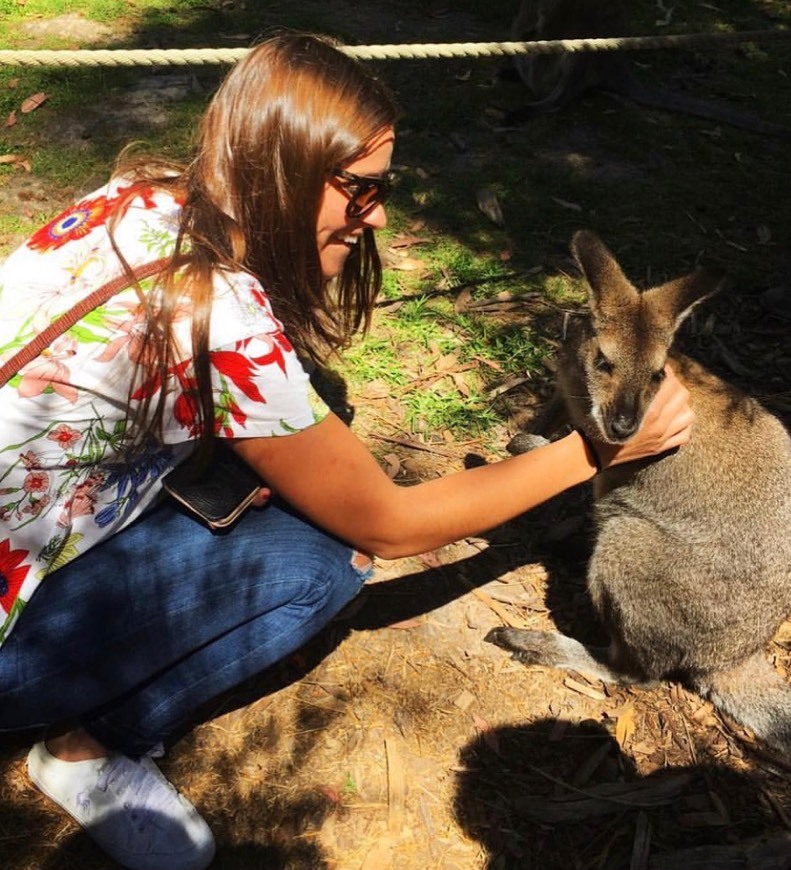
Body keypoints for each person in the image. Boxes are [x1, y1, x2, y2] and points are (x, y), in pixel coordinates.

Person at [0, 31, 694, 870]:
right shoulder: (221, 315)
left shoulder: (139, 196)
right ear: (283, 171)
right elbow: (393, 522)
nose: (379, 217)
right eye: (359, 191)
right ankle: (86, 751)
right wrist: (594, 452)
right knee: (326, 558)